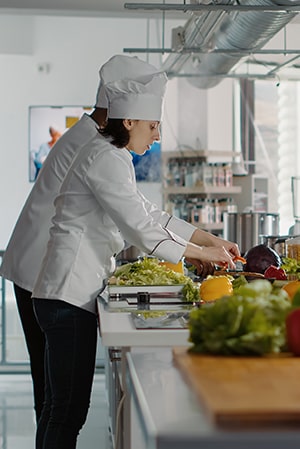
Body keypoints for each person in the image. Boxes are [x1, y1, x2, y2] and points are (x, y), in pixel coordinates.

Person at [31, 60, 240, 449]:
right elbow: (140, 229)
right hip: (66, 293)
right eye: (153, 126)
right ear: (129, 122)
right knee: (66, 411)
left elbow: (149, 214)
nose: (157, 136)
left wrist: (207, 241)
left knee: (59, 408)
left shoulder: (110, 155)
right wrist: (201, 255)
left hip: (65, 291)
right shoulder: (104, 158)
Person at [0, 54, 167, 423]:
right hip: (42, 271)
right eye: (149, 123)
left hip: (43, 268)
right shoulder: (95, 146)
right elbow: (133, 215)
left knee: (54, 399)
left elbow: (131, 210)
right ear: (124, 114)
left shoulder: (90, 137)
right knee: (57, 400)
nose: (153, 134)